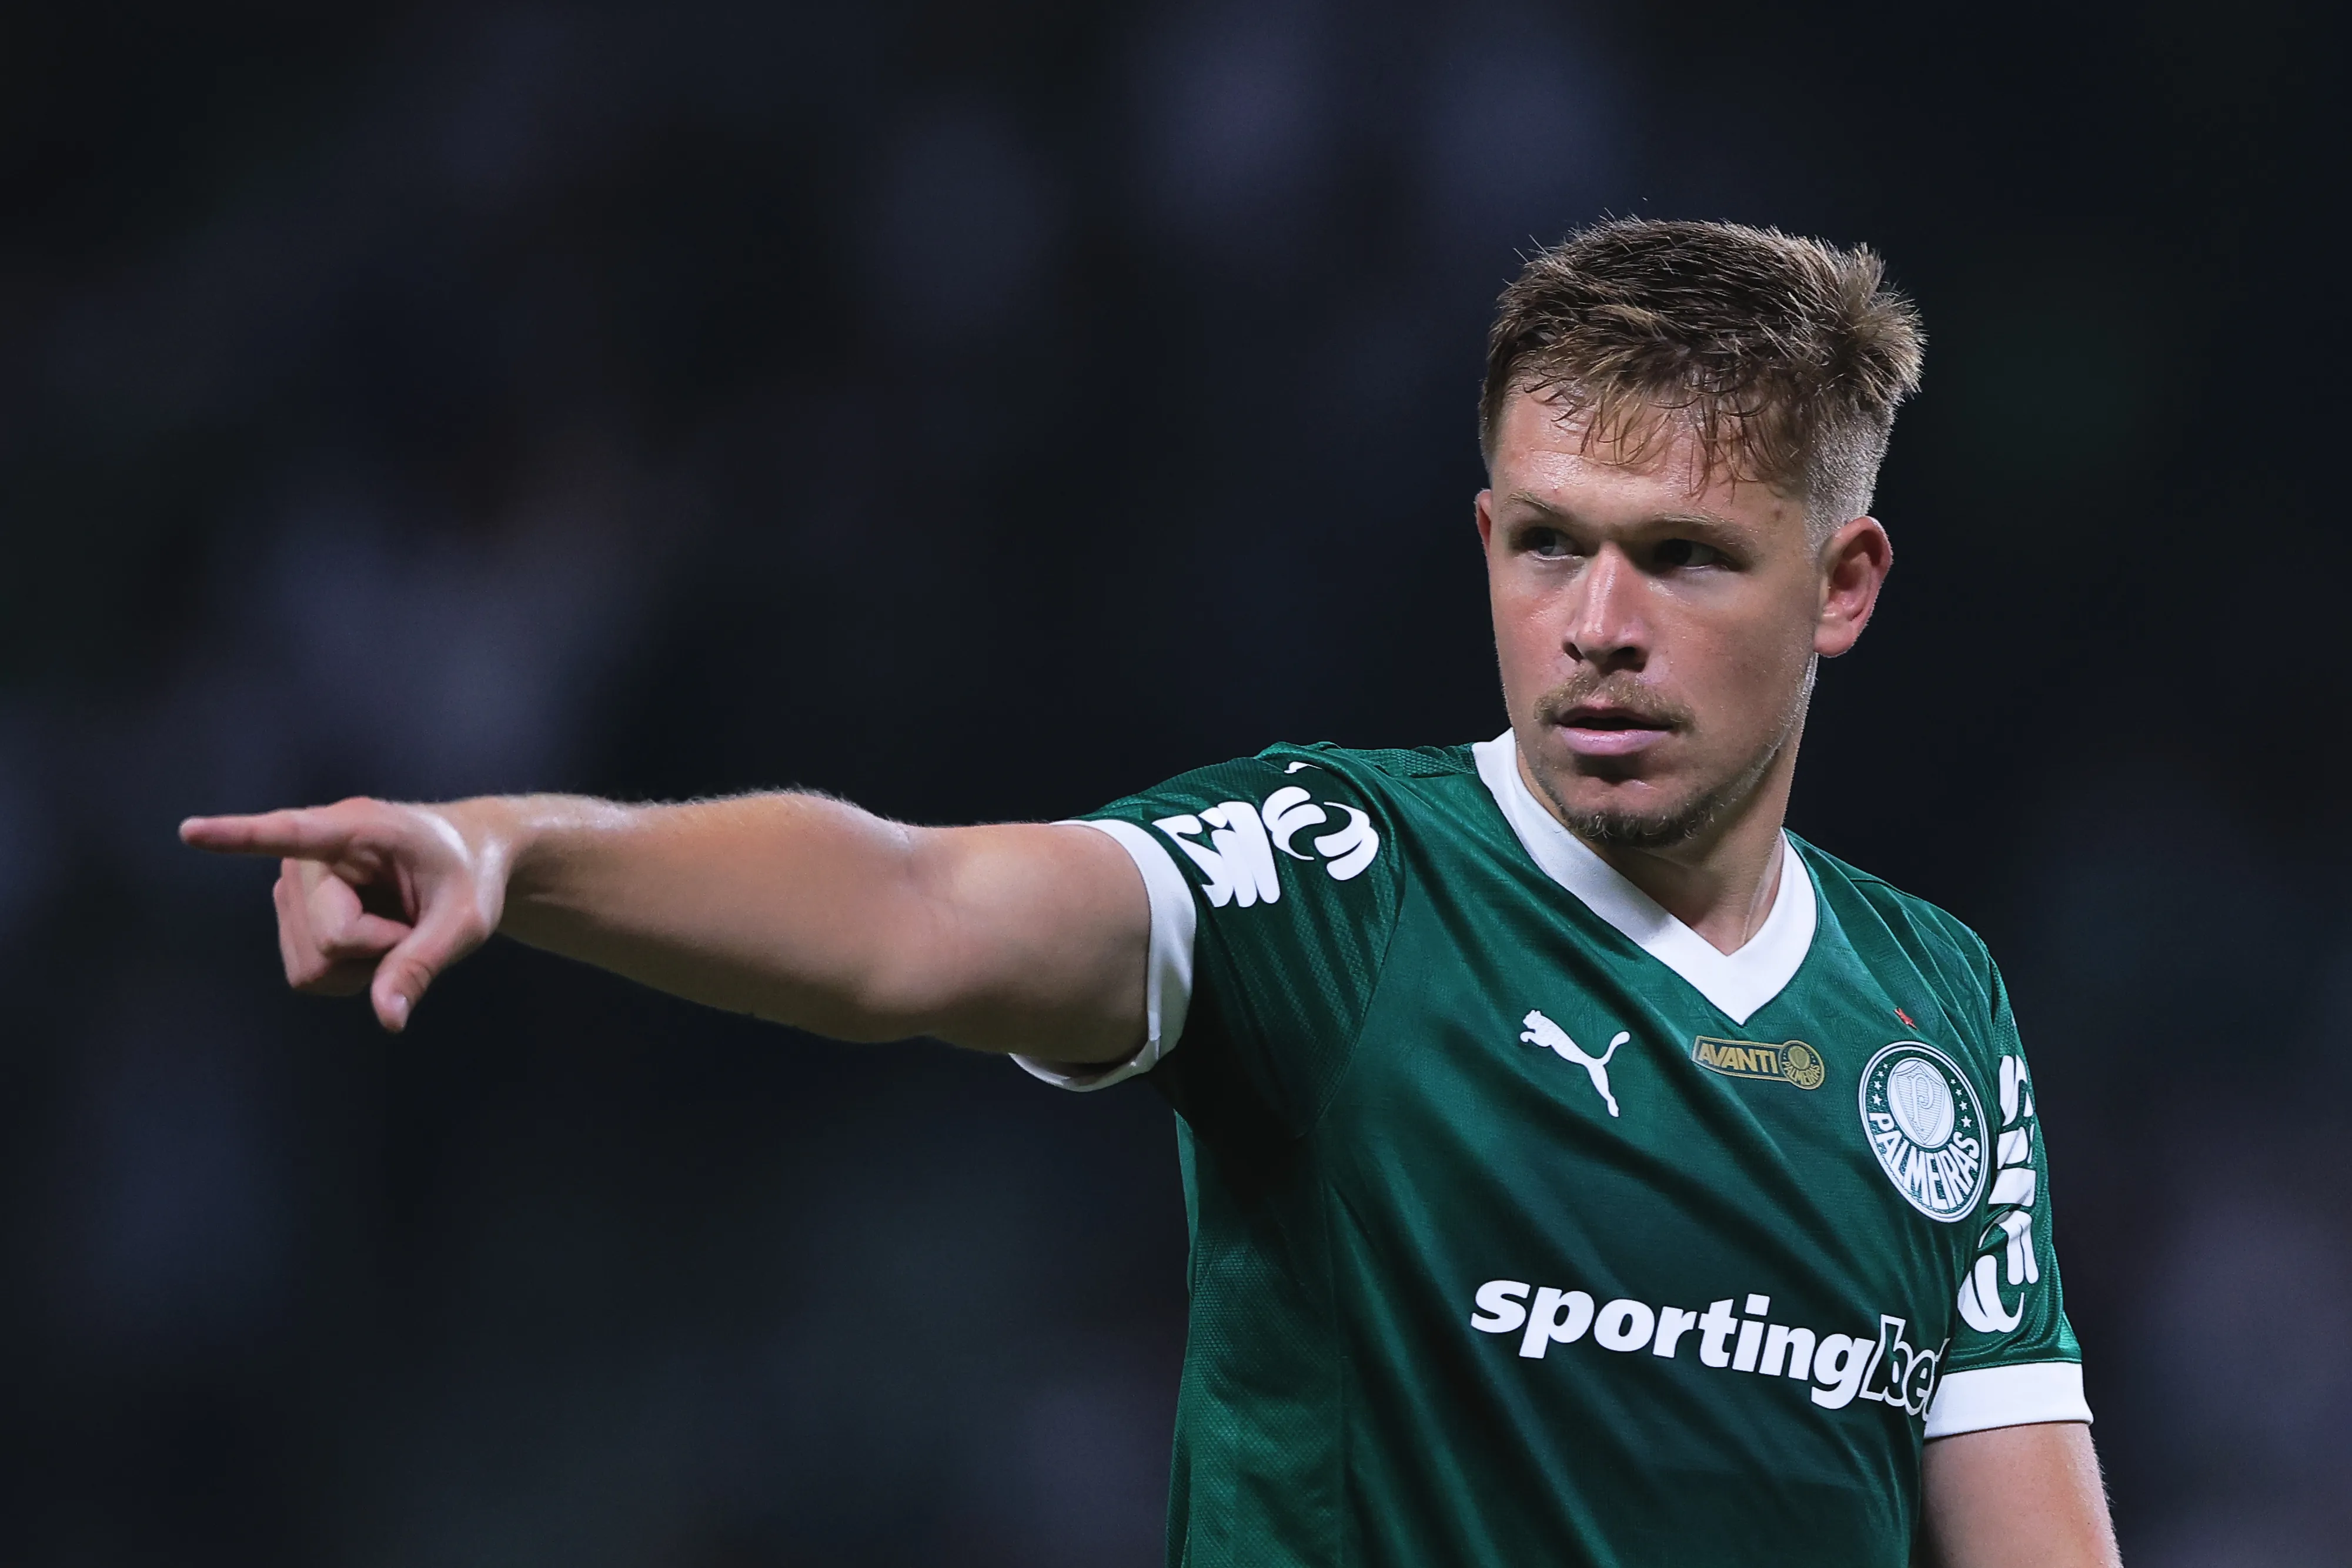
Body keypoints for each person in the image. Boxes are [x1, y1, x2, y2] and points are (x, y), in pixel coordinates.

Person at [183, 219, 2122, 1567]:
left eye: (1685, 558)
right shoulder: (1345, 883)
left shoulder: (1930, 1005)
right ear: (1484, 537)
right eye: (1549, 544)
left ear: (1842, 586)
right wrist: (523, 849)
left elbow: (2025, 1517)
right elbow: (915, 910)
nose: (1596, 625)